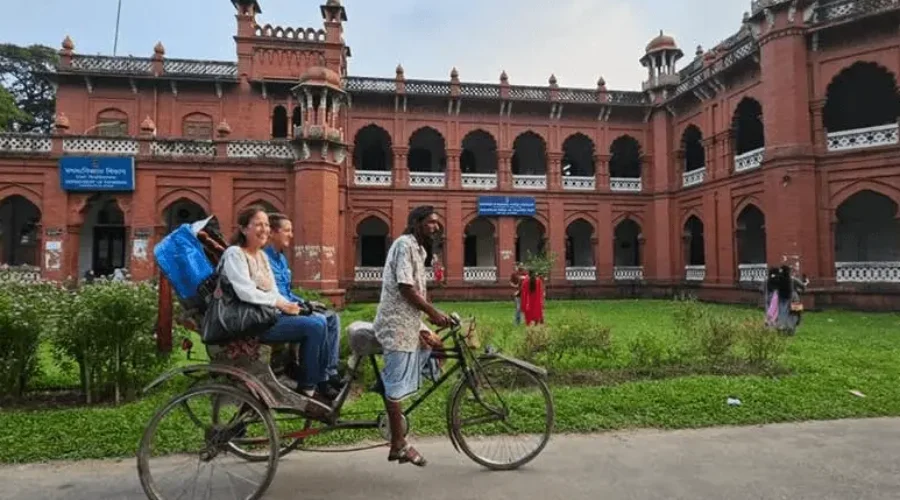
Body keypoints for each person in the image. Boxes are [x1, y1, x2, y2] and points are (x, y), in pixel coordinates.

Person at [219, 205, 331, 419]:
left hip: (266, 316)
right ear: (243, 229)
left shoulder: (261, 256)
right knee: (315, 326)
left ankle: (318, 380)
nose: (264, 229)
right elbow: (245, 292)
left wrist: (291, 305)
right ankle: (308, 389)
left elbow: (272, 290)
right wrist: (280, 304)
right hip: (248, 322)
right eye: (258, 225)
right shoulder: (235, 254)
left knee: (320, 320)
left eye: (266, 225)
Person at [373, 205, 451, 467]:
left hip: (411, 322)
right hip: (396, 324)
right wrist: (432, 311)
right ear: (416, 223)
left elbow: (418, 289)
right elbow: (405, 288)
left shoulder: (419, 249)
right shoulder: (404, 245)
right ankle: (398, 445)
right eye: (430, 222)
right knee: (395, 387)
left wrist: (431, 316)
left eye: (436, 223)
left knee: (436, 347)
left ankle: (387, 386)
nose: (435, 227)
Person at [263, 212, 343, 399]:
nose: (291, 234)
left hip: (287, 305)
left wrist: (306, 302)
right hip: (276, 311)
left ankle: (330, 372)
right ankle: (316, 380)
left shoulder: (280, 258)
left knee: (332, 317)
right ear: (273, 233)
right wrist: (300, 306)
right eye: (287, 230)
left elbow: (287, 291)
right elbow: (275, 294)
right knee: (319, 321)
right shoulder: (264, 259)